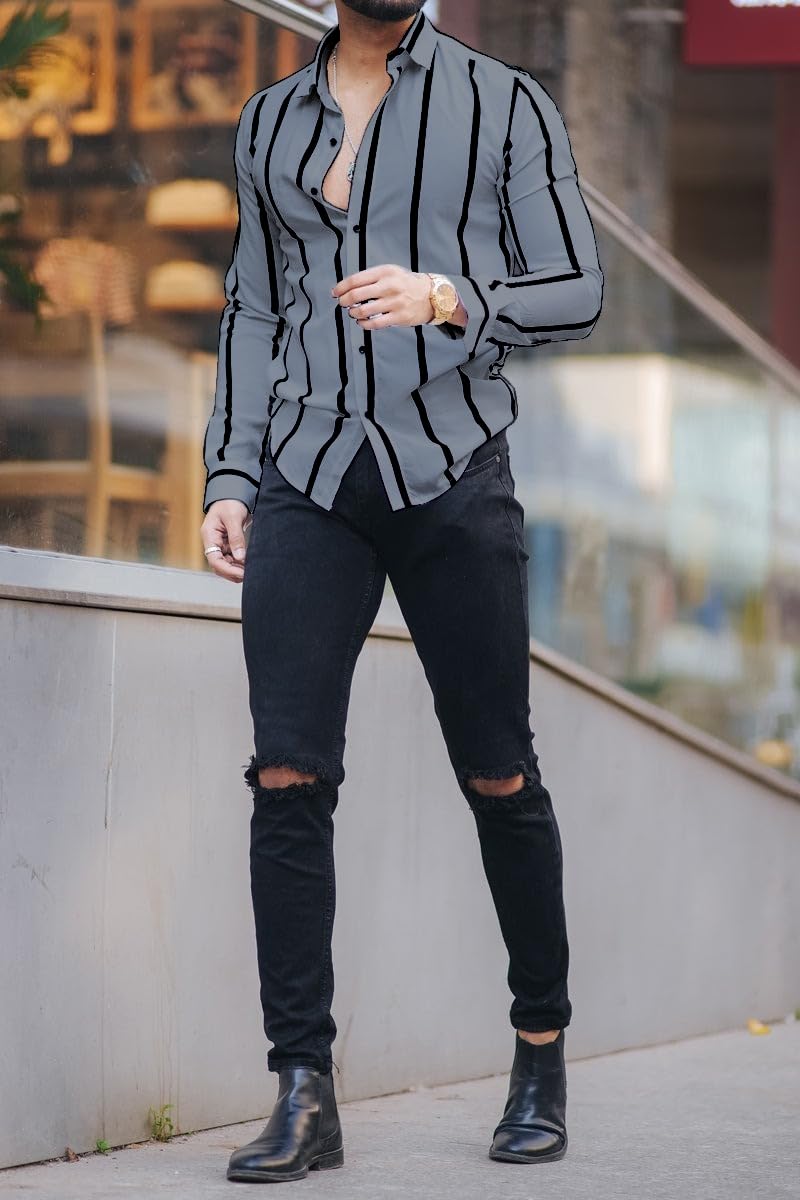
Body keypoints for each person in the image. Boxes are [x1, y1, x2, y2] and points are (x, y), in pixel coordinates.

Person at [199, 0, 603, 1184]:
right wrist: (230, 472)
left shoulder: (504, 104)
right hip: (306, 472)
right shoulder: (268, 119)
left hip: (451, 471)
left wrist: (450, 296)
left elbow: (576, 287)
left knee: (497, 773)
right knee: (286, 775)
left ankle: (539, 1053)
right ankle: (302, 1089)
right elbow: (254, 307)